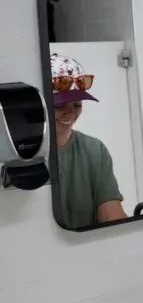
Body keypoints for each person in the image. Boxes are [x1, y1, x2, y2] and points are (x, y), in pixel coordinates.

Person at [51, 53, 127, 228]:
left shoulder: (93, 150)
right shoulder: (24, 156)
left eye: (77, 105)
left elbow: (111, 216)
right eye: (59, 105)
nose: (70, 113)